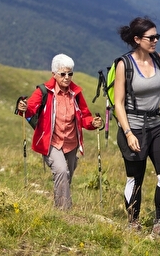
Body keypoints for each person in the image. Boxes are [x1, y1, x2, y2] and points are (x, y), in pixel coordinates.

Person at [114, 16, 160, 240]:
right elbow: (118, 103)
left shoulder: (158, 59)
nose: (155, 41)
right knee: (136, 179)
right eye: (150, 37)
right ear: (137, 39)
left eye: (157, 36)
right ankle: (133, 222)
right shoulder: (124, 64)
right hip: (133, 128)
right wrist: (128, 133)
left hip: (157, 126)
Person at [16, 53, 102, 210]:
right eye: (63, 74)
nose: (67, 77)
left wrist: (93, 123)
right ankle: (64, 211)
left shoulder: (75, 93)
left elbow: (85, 116)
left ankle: (59, 206)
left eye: (70, 73)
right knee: (62, 171)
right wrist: (23, 107)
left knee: (67, 174)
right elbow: (30, 109)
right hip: (51, 142)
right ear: (54, 74)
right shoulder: (44, 91)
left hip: (71, 142)